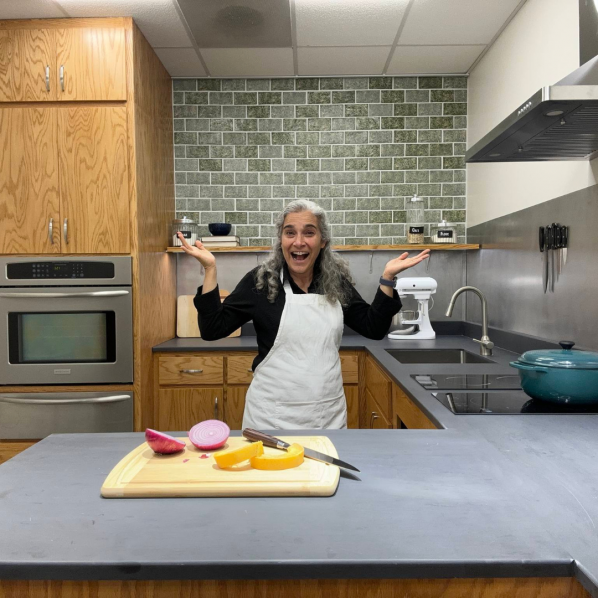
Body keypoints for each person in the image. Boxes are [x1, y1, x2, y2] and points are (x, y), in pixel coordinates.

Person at [177, 199, 429, 430]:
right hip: (270, 418)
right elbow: (212, 329)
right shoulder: (261, 283)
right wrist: (210, 269)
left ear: (323, 242)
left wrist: (387, 279)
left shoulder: (335, 284)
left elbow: (373, 327)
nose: (299, 242)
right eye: (290, 233)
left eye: (309, 232)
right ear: (281, 241)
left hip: (326, 416)